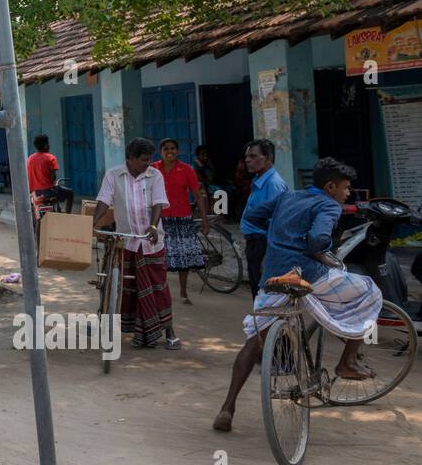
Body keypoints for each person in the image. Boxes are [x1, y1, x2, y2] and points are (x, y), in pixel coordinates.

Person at [213, 158, 380, 432]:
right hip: (309, 275)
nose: (347, 193)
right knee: (370, 290)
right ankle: (346, 362)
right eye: (346, 188)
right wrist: (319, 253)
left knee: (254, 342)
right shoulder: (328, 205)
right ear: (330, 187)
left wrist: (280, 239)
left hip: (275, 275)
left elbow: (253, 215)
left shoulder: (287, 197)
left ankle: (227, 408)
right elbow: (317, 240)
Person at [92, 137, 180, 350]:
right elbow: (104, 200)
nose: (147, 164)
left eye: (149, 159)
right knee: (126, 289)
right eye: (143, 160)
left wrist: (153, 226)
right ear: (130, 159)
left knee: (158, 288)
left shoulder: (154, 175)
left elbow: (158, 202)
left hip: (151, 242)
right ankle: (129, 329)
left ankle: (170, 332)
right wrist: (91, 223)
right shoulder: (114, 175)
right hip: (126, 242)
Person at [153, 138, 209, 305]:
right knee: (160, 257)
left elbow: (197, 195)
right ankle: (160, 292)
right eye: (166, 149)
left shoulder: (187, 169)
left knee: (183, 259)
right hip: (160, 219)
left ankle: (183, 293)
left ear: (178, 151)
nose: (170, 151)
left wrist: (204, 219)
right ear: (160, 152)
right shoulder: (153, 169)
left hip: (182, 219)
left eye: (173, 148)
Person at [240, 138, 287, 297]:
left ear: (268, 158)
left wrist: (268, 256)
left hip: (263, 244)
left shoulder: (273, 184)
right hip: (254, 243)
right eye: (247, 156)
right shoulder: (260, 181)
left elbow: (278, 223)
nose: (247, 160)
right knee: (258, 292)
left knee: (265, 295)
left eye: (253, 156)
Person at [27, 134, 73, 214]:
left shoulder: (30, 158)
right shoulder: (50, 158)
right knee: (70, 193)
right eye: (48, 144)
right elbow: (53, 178)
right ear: (45, 146)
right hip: (48, 192)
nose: (49, 146)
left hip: (34, 192)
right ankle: (67, 216)